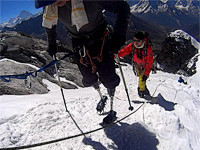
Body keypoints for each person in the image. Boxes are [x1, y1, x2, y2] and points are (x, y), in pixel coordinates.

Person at [35, 0, 130, 123]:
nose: (55, 2)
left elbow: (122, 7)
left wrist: (119, 34)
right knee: (88, 77)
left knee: (108, 77)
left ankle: (112, 105)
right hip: (78, 42)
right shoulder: (51, 5)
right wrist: (51, 41)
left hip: (100, 37)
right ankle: (102, 97)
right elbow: (50, 26)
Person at [117, 31, 154, 98]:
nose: (136, 42)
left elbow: (150, 62)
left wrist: (146, 74)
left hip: (145, 66)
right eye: (134, 40)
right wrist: (115, 55)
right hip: (137, 66)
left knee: (142, 79)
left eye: (138, 41)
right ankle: (142, 87)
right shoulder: (132, 46)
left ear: (142, 40)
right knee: (141, 78)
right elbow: (124, 51)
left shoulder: (148, 49)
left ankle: (141, 90)